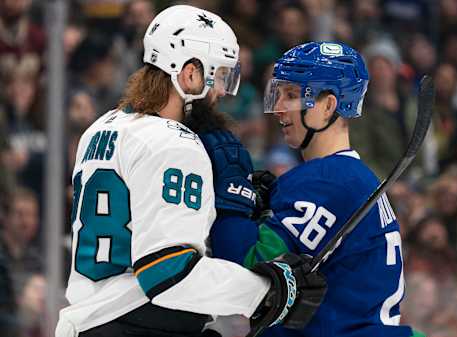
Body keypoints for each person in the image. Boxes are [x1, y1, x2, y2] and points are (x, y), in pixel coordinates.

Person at [55, 5, 327, 337]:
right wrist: (267, 290)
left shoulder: (101, 128)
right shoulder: (176, 143)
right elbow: (168, 273)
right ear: (190, 74)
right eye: (222, 75)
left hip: (87, 321)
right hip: (134, 323)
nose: (223, 92)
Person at [201, 41, 425, 337]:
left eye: (292, 96)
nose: (279, 109)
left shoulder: (328, 180)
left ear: (329, 105)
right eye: (278, 95)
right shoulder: (354, 177)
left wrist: (232, 199)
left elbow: (245, 268)